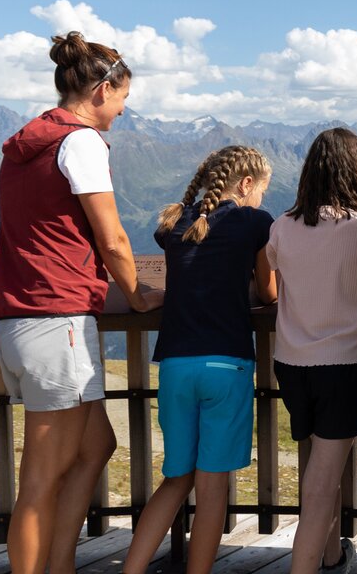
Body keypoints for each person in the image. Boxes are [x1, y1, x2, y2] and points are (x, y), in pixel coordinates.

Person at [0, 31, 159, 574]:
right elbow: (112, 240)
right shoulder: (80, 143)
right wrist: (136, 296)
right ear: (102, 90)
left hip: (20, 322)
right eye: (123, 97)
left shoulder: (27, 144)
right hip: (56, 322)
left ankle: (59, 563)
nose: (124, 109)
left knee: (96, 446)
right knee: (40, 480)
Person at [121, 145, 277, 574]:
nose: (261, 199)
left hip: (175, 364)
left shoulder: (177, 221)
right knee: (211, 491)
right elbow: (269, 292)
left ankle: (131, 569)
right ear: (246, 184)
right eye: (261, 190)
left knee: (176, 479)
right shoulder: (254, 222)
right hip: (226, 364)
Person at [268, 128, 357, 574]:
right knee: (322, 481)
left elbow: (273, 283)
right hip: (343, 365)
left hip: (291, 363)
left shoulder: (282, 226)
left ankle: (332, 555)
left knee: (324, 461)